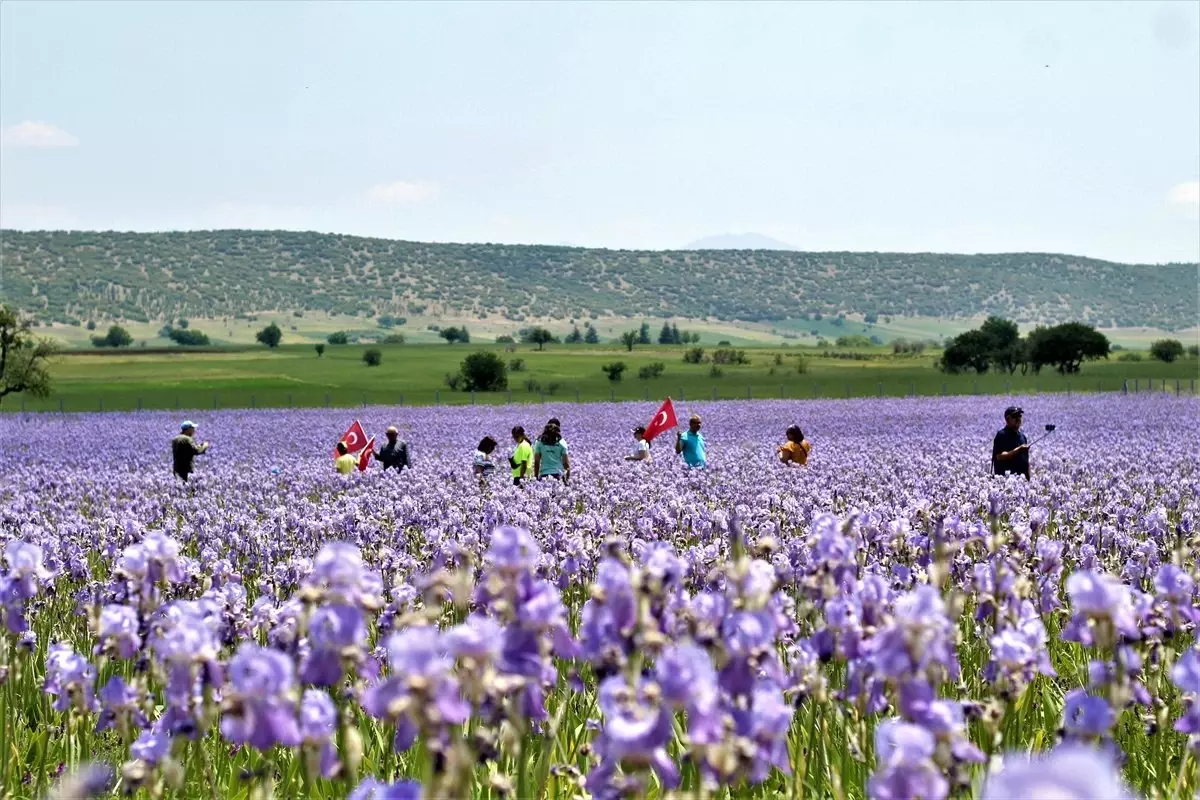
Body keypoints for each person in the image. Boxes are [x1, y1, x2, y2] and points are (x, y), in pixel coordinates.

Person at [992, 406, 1030, 480]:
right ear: (1007, 419)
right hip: (1004, 481)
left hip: (1021, 482)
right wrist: (1017, 450)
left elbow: (1026, 461)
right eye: (1015, 416)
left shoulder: (1023, 437)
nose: (1018, 419)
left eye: (1020, 416)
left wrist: (1028, 479)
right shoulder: (1002, 435)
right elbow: (999, 456)